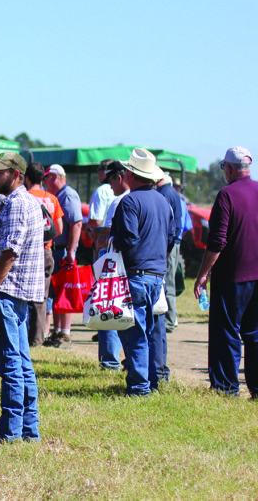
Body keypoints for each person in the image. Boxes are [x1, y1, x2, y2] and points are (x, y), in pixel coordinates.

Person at [0, 151, 44, 443]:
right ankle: (29, 430)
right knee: (21, 362)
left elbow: (8, 254)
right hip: (19, 292)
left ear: (16, 174)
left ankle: (11, 433)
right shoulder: (25, 202)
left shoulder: (17, 205)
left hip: (9, 291)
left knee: (10, 364)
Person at [194, 146, 258, 397]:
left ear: (229, 168)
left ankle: (226, 387)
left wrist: (203, 273)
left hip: (232, 276)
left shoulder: (226, 195)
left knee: (227, 332)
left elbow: (217, 241)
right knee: (254, 334)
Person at [110, 148, 174, 397]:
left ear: (131, 174)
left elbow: (128, 238)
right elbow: (170, 238)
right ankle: (151, 380)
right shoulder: (164, 200)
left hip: (136, 274)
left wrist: (114, 239)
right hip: (157, 275)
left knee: (134, 332)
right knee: (149, 331)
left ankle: (139, 387)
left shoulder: (130, 201)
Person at [24, 162, 64, 347]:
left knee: (22, 296)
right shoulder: (52, 199)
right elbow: (59, 229)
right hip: (46, 251)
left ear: (27, 178)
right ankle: (37, 339)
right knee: (42, 297)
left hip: (27, 252)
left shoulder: (24, 197)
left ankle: (22, 336)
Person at [42, 164, 82, 348]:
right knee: (56, 293)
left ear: (56, 177)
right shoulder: (59, 196)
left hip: (64, 251)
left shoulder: (68, 195)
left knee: (65, 291)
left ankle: (65, 332)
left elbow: (76, 223)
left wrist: (71, 251)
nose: (44, 181)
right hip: (57, 249)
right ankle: (57, 330)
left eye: (47, 177)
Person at [95, 163, 130, 371]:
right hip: (138, 265)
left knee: (109, 308)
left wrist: (97, 238)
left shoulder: (118, 202)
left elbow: (107, 235)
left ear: (118, 177)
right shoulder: (150, 199)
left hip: (116, 265)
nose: (110, 187)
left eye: (111, 182)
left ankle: (109, 361)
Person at [155, 172, 184, 333]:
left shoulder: (165, 194)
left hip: (169, 245)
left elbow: (171, 225)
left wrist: (167, 248)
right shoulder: (171, 192)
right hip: (171, 243)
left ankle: (169, 320)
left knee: (168, 282)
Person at [86, 160, 117, 254]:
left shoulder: (102, 191)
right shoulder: (122, 190)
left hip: (103, 244)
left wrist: (88, 231)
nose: (98, 173)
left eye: (98, 169)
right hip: (117, 242)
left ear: (105, 171)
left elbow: (96, 221)